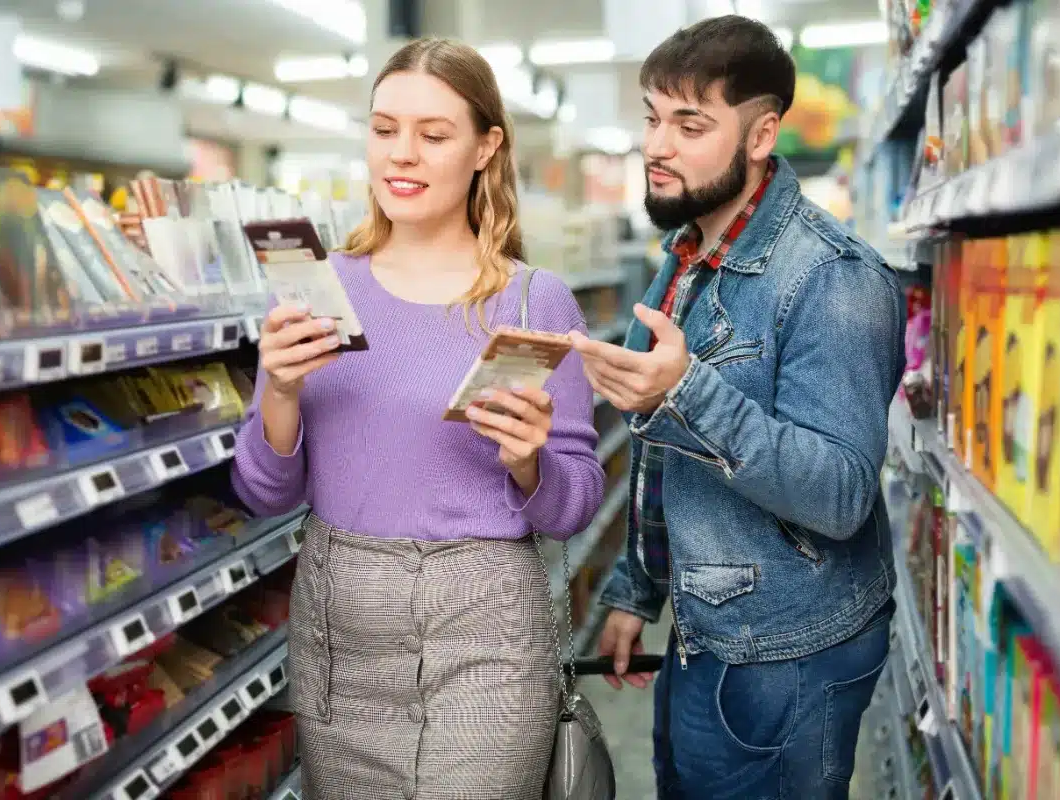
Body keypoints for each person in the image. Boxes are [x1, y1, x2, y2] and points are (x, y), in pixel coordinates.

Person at [231, 37, 605, 800]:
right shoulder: (313, 291)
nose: (401, 155)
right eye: (383, 129)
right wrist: (277, 390)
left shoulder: (534, 302)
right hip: (341, 629)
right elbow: (264, 496)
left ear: (484, 147)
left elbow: (575, 508)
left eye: (433, 135)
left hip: (486, 631)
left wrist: (530, 461)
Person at [569, 16, 907, 800]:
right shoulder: (686, 257)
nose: (657, 145)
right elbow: (661, 461)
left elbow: (841, 494)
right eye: (653, 118)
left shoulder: (833, 278)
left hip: (789, 653)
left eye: (691, 124)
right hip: (704, 634)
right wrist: (635, 589)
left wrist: (688, 391)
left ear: (761, 136)